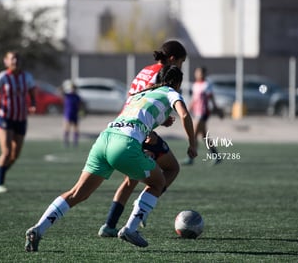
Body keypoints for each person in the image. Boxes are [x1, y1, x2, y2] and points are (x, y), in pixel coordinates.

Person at [25, 65, 197, 251]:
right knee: (158, 182)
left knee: (77, 193)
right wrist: (192, 144)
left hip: (104, 139)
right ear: (177, 83)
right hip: (125, 144)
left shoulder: (140, 94)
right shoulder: (171, 92)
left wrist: (161, 120)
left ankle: (38, 229)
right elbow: (185, 115)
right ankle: (131, 228)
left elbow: (138, 114)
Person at [98, 40, 187, 237]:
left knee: (131, 179)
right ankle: (143, 208)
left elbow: (137, 99)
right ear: (172, 59)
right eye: (181, 62)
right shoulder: (161, 75)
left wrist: (160, 120)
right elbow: (147, 102)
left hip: (124, 124)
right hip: (138, 132)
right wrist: (147, 135)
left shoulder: (147, 70)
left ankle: (110, 225)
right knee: (172, 168)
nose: (181, 67)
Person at [0, 50, 36, 193]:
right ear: (6, 61)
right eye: (12, 59)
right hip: (5, 118)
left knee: (15, 155)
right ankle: (0, 184)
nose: (15, 62)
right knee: (6, 152)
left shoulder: (27, 77)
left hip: (21, 119)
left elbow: (32, 93)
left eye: (17, 59)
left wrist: (33, 104)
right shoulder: (1, 77)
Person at [181, 66, 224, 165]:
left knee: (194, 134)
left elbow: (211, 98)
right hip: (196, 113)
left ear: (203, 74)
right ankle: (216, 156)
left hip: (203, 113)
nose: (197, 74)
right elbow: (194, 99)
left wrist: (217, 109)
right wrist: (188, 108)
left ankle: (190, 158)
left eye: (199, 72)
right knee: (205, 136)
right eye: (196, 72)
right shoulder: (195, 84)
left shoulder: (206, 85)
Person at [62, 81, 83, 147]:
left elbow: (80, 105)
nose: (73, 89)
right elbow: (60, 92)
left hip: (75, 114)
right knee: (67, 127)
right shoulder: (68, 95)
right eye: (72, 88)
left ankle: (75, 141)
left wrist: (81, 112)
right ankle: (66, 141)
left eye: (74, 88)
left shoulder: (77, 96)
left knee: (76, 128)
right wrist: (64, 86)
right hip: (68, 113)